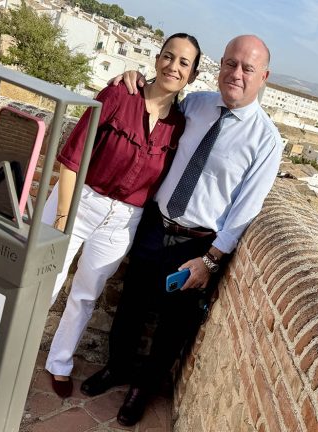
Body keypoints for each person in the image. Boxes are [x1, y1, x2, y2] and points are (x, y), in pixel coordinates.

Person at [80, 34, 282, 426]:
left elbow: (246, 209)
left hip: (198, 244)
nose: (236, 74)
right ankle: (117, 368)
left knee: (172, 327)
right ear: (219, 66)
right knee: (131, 304)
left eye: (247, 68)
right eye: (230, 63)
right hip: (156, 224)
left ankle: (142, 390)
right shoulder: (197, 104)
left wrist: (210, 260)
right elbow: (156, 108)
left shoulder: (266, 140)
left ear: (264, 77)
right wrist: (134, 79)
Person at [42, 33, 201, 399]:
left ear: (191, 76)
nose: (172, 66)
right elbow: (72, 155)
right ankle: (10, 348)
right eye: (168, 56)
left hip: (121, 221)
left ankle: (59, 363)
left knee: (85, 295)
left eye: (183, 63)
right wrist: (63, 215)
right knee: (43, 282)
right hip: (80, 199)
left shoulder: (178, 124)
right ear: (156, 59)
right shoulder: (119, 95)